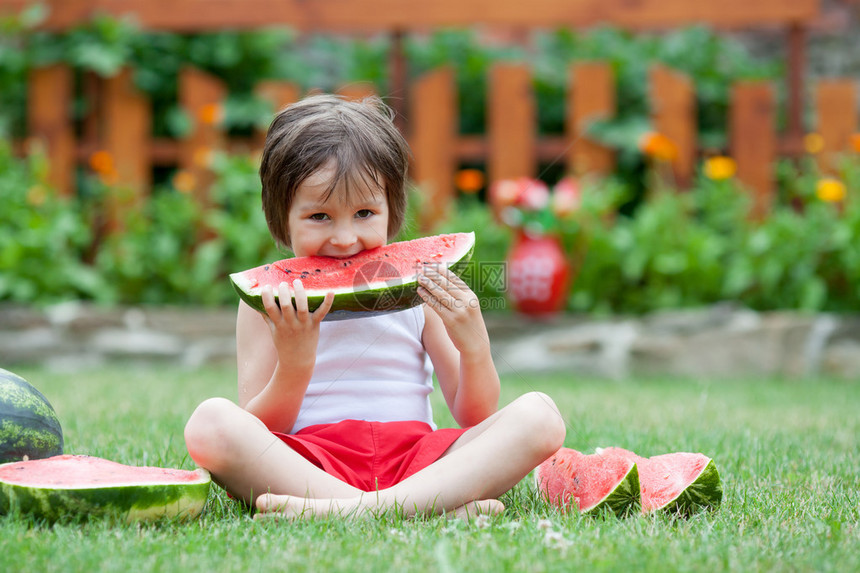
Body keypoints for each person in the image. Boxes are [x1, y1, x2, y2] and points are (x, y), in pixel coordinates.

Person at [184, 94, 566, 520]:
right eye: (320, 217)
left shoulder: (423, 289)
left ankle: (348, 511)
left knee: (541, 415)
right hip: (310, 462)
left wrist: (475, 348)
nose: (346, 238)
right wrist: (293, 366)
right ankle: (423, 508)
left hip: (417, 459)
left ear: (392, 210)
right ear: (282, 216)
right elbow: (262, 430)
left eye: (364, 212)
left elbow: (473, 414)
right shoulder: (267, 304)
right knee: (211, 423)